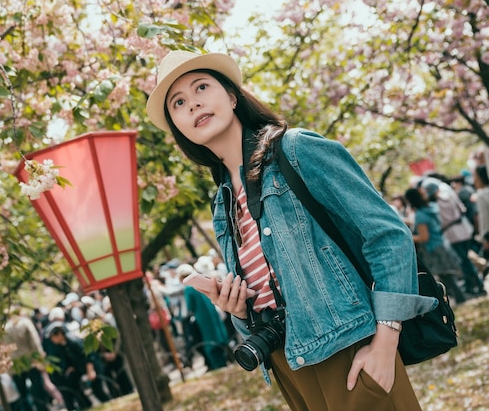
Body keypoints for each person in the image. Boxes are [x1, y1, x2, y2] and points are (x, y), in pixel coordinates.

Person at [145, 50, 437, 411]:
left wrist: (386, 340)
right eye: (178, 102)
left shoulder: (296, 149)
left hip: (349, 349)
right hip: (288, 364)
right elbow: (267, 296)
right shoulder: (222, 206)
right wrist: (236, 308)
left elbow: (387, 234)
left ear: (232, 96)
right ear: (178, 127)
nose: (193, 104)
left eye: (201, 86)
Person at [420, 177, 485, 296]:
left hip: (454, 234)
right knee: (465, 259)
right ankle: (471, 285)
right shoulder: (450, 194)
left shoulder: (435, 203)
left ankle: (479, 285)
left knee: (464, 261)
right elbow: (462, 208)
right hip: (464, 228)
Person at [404, 187, 467, 304]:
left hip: (433, 248)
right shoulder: (431, 207)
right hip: (441, 243)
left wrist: (407, 237)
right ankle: (459, 297)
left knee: (445, 276)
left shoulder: (420, 215)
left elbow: (424, 237)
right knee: (447, 274)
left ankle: (460, 298)